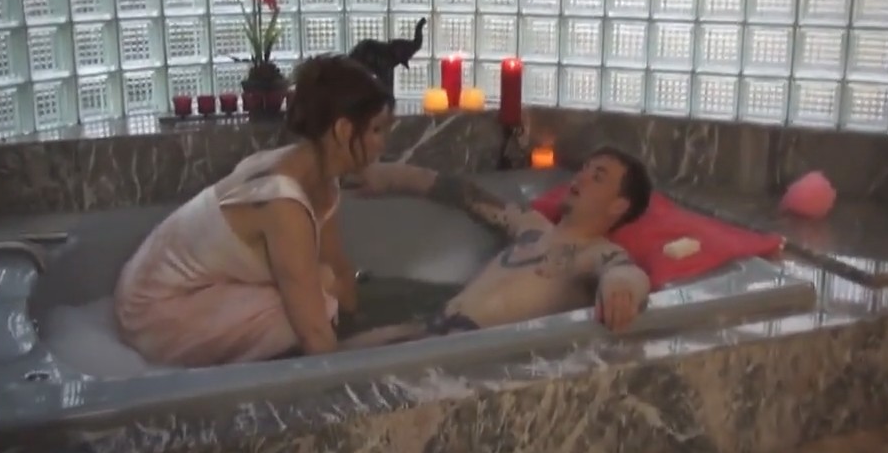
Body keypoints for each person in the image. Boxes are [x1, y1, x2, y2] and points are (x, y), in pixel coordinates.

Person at [114, 54, 394, 367]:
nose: (383, 143)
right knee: (318, 301)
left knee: (324, 283)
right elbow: (316, 336)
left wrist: (363, 322)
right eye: (377, 130)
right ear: (343, 130)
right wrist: (366, 368)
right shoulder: (283, 201)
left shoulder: (317, 177)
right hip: (153, 315)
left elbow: (337, 266)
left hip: (164, 289)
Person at [340, 146, 655, 348]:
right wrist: (396, 177)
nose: (581, 177)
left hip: (463, 358)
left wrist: (621, 288)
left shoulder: (593, 253)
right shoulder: (532, 228)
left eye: (597, 177)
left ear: (619, 206)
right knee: (328, 357)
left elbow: (625, 271)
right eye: (584, 168)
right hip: (427, 331)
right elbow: (468, 196)